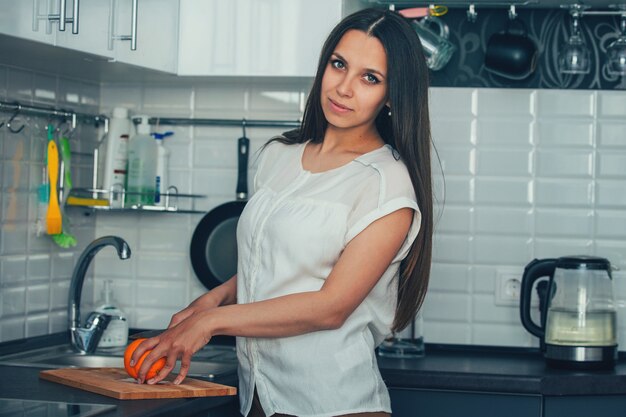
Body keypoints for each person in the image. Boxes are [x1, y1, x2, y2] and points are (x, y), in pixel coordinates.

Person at [131, 7, 433, 417]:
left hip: (333, 404)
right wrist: (214, 300)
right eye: (338, 64)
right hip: (256, 398)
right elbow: (276, 261)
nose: (344, 88)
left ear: (392, 95)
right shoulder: (279, 156)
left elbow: (332, 306)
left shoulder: (386, 184)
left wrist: (210, 324)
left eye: (370, 78)